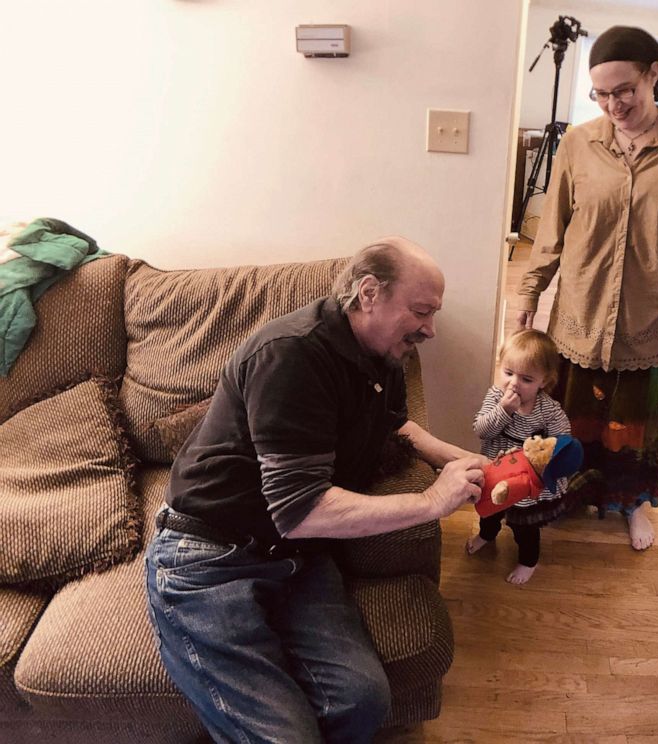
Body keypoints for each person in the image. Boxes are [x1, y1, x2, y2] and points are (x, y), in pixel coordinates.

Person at [145, 237, 486, 744]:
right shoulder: (292, 355)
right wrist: (433, 502)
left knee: (362, 700)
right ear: (369, 293)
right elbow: (301, 511)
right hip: (208, 558)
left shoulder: (381, 357)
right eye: (421, 311)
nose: (431, 329)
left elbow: (396, 425)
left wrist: (452, 456)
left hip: (296, 557)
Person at [516, 25, 658, 551]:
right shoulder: (578, 144)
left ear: (653, 75)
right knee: (572, 418)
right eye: (601, 94)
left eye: (623, 90)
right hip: (579, 314)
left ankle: (629, 505)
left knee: (636, 428)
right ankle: (564, 494)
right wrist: (529, 294)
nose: (613, 104)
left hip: (653, 321)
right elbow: (552, 229)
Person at [466, 329, 571, 585]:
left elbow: (562, 437)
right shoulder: (496, 397)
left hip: (525, 483)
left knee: (525, 527)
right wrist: (503, 411)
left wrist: (542, 452)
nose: (513, 383)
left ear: (543, 382)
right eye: (508, 373)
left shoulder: (548, 409)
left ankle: (528, 560)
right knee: (488, 513)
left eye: (526, 378)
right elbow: (481, 430)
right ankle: (487, 535)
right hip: (495, 474)